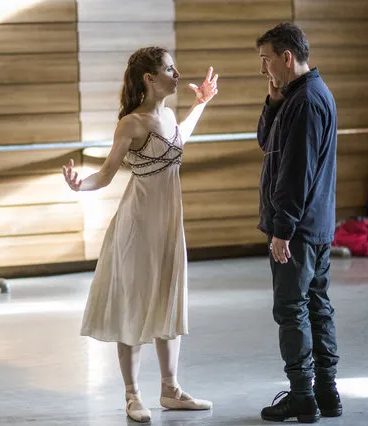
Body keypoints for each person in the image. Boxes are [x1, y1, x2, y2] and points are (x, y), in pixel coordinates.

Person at [62, 46, 218, 423]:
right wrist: (79, 185)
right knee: (132, 304)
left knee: (168, 298)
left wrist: (202, 103)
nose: (177, 74)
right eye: (169, 69)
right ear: (150, 79)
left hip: (167, 225)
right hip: (137, 227)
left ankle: (171, 389)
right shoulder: (132, 123)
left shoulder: (168, 117)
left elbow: (181, 139)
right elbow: (105, 174)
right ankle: (132, 396)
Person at [255, 23, 341, 423]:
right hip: (314, 226)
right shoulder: (295, 98)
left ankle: (303, 396)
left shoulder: (307, 101)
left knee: (293, 310)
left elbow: (295, 172)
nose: (263, 70)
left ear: (286, 57)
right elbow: (266, 143)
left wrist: (282, 228)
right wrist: (272, 102)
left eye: (266, 61)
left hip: (299, 231)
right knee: (317, 308)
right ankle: (326, 394)